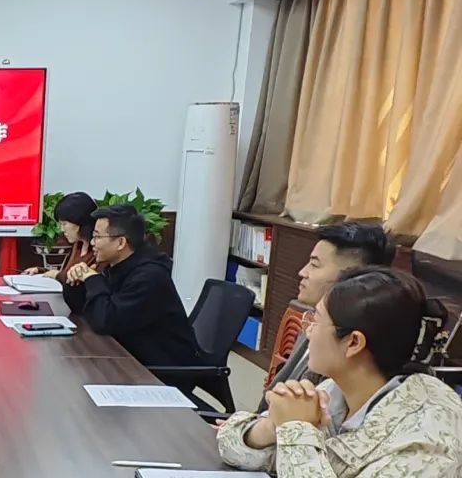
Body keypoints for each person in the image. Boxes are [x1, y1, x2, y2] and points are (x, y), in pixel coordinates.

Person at [218, 267, 462, 476]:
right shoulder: (338, 389)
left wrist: (296, 429)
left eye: (316, 320)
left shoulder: (428, 442)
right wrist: (272, 427)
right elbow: (230, 446)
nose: (307, 331)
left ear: (353, 342)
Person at [257, 221, 396, 410]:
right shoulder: (313, 320)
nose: (302, 272)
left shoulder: (345, 352)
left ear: (351, 278)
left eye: (314, 265)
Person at [65, 203, 200, 367]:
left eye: (97, 237)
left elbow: (105, 321)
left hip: (162, 369)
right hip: (130, 356)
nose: (92, 242)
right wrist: (75, 280)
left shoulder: (149, 277)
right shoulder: (119, 266)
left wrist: (93, 280)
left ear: (121, 242)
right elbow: (84, 309)